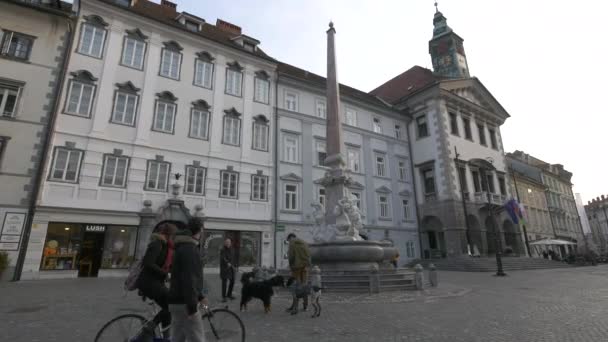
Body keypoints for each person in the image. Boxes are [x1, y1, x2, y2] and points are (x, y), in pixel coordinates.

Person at [136, 220, 180, 339]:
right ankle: (151, 325)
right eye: (174, 235)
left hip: (155, 282)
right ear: (169, 234)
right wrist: (165, 274)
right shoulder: (157, 244)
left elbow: (164, 264)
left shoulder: (166, 246)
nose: (175, 238)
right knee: (172, 304)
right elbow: (148, 263)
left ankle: (165, 338)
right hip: (148, 282)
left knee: (168, 309)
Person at [168, 217, 207, 342]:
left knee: (177, 338)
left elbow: (186, 276)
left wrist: (200, 296)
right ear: (200, 230)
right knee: (197, 338)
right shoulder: (190, 249)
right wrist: (192, 307)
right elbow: (189, 279)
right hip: (185, 303)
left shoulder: (181, 246)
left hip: (176, 300)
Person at [286, 233, 311, 313]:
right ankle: (305, 306)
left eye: (288, 240)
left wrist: (290, 265)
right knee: (304, 286)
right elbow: (309, 254)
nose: (289, 242)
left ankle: (294, 307)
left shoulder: (292, 243)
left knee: (295, 287)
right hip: (305, 267)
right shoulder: (304, 242)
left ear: (290, 238)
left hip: (296, 267)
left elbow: (291, 256)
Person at [220, 238, 237, 302]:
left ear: (230, 243)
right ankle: (224, 297)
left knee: (232, 281)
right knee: (224, 283)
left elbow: (234, 258)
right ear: (224, 243)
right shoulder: (222, 250)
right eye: (226, 242)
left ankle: (229, 294)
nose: (228, 243)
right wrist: (227, 262)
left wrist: (235, 265)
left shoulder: (232, 249)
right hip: (225, 269)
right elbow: (223, 258)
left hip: (231, 269)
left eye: (229, 242)